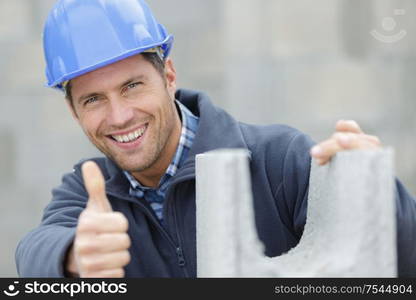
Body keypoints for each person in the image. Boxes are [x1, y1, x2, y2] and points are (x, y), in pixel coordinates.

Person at [16, 0, 416, 278]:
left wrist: (378, 196)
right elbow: (34, 251)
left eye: (133, 86)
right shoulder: (88, 196)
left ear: (169, 76)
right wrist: (72, 256)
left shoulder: (279, 160)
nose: (119, 116)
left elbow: (400, 259)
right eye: (93, 100)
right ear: (74, 112)